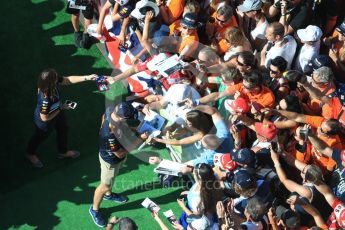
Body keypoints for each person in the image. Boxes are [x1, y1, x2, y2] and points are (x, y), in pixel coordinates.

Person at [26, 69, 97, 168]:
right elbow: (44, 118)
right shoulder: (45, 100)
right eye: (56, 78)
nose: (58, 78)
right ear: (50, 83)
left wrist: (87, 77)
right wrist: (61, 108)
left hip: (57, 112)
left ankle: (63, 152)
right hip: (45, 121)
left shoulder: (51, 83)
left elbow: (67, 80)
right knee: (39, 137)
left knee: (63, 129)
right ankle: (30, 153)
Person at [89, 102, 139, 227]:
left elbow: (117, 123)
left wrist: (134, 129)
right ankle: (94, 209)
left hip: (115, 157)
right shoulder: (110, 134)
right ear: (121, 117)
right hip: (110, 161)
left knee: (110, 181)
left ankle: (109, 195)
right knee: (104, 186)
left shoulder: (111, 110)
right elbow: (120, 154)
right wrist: (140, 140)